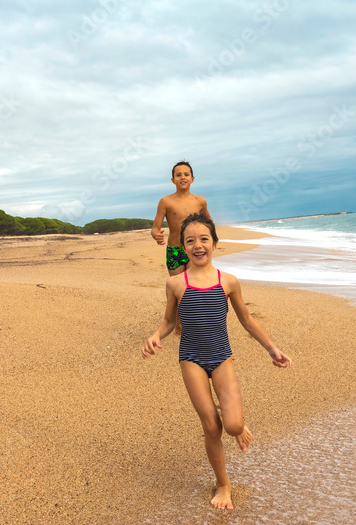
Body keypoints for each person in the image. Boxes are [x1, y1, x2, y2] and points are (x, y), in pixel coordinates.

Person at [142, 212, 291, 512]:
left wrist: (271, 348)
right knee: (212, 427)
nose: (198, 245)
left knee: (233, 425)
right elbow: (169, 322)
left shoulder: (229, 282)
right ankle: (224, 483)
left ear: (215, 243)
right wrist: (156, 336)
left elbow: (247, 320)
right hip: (191, 359)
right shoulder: (175, 284)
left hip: (222, 357)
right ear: (183, 248)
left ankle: (238, 426)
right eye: (190, 241)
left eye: (203, 239)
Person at [151, 161, 210, 276]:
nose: (182, 177)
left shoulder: (200, 201)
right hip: (174, 250)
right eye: (178, 175)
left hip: (194, 248)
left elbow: (209, 222)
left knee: (194, 282)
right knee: (177, 285)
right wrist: (156, 236)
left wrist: (210, 239)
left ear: (192, 179)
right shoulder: (165, 202)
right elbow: (155, 228)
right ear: (173, 180)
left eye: (186, 174)